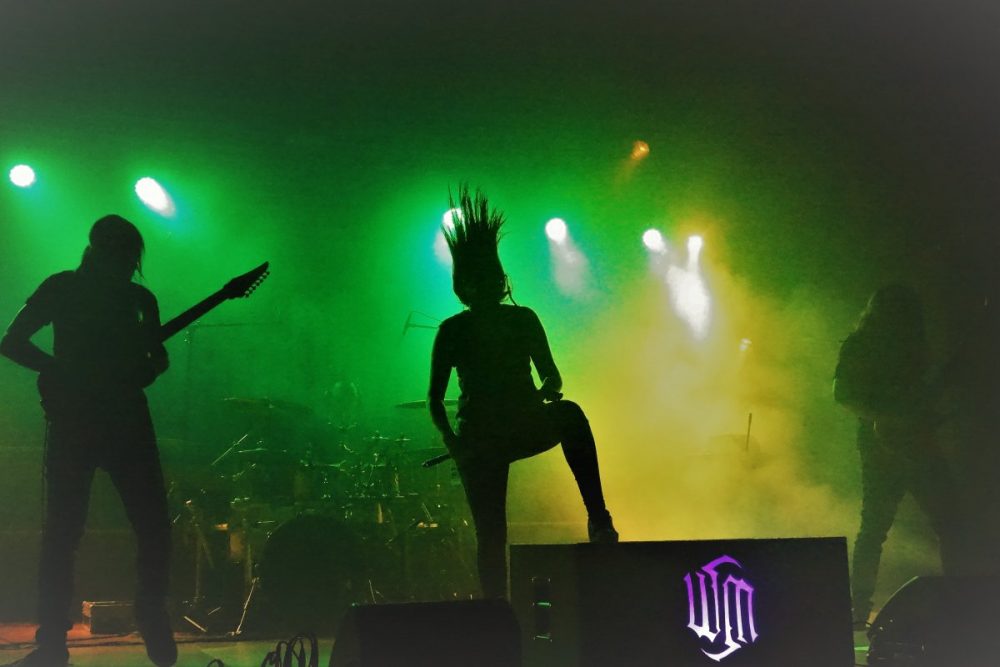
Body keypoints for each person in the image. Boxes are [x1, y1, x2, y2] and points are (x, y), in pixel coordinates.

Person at [0, 215, 177, 667]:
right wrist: (58, 370)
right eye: (126, 257)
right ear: (104, 252)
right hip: (97, 422)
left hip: (105, 421)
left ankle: (134, 617)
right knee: (79, 531)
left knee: (129, 527)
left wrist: (148, 367)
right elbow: (11, 341)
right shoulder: (65, 288)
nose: (130, 266)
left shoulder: (136, 299)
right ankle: (69, 637)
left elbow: (154, 358)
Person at [427, 185, 617, 600]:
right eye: (480, 279)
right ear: (466, 285)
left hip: (522, 424)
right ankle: (495, 610)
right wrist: (454, 443)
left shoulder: (523, 319)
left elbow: (553, 377)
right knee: (491, 533)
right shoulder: (452, 330)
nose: (489, 284)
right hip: (479, 439)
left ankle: (598, 517)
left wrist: (545, 392)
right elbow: (434, 399)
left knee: (570, 414)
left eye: (492, 278)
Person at [833, 284, 965, 630]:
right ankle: (859, 609)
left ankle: (956, 599)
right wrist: (888, 418)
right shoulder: (861, 345)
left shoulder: (906, 347)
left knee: (942, 522)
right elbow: (843, 393)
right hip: (886, 445)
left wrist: (923, 414)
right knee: (883, 527)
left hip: (911, 444)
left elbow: (914, 397)